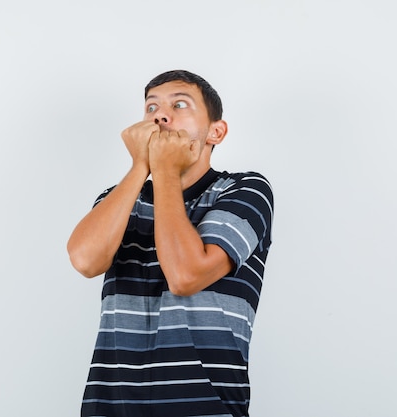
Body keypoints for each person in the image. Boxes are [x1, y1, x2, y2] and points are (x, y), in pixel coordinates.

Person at [67, 69, 274, 417]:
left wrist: (162, 170)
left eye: (179, 104)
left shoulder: (246, 190)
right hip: (110, 406)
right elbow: (85, 261)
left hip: (203, 407)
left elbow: (186, 275)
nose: (161, 115)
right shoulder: (120, 199)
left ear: (215, 132)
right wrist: (139, 167)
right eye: (151, 108)